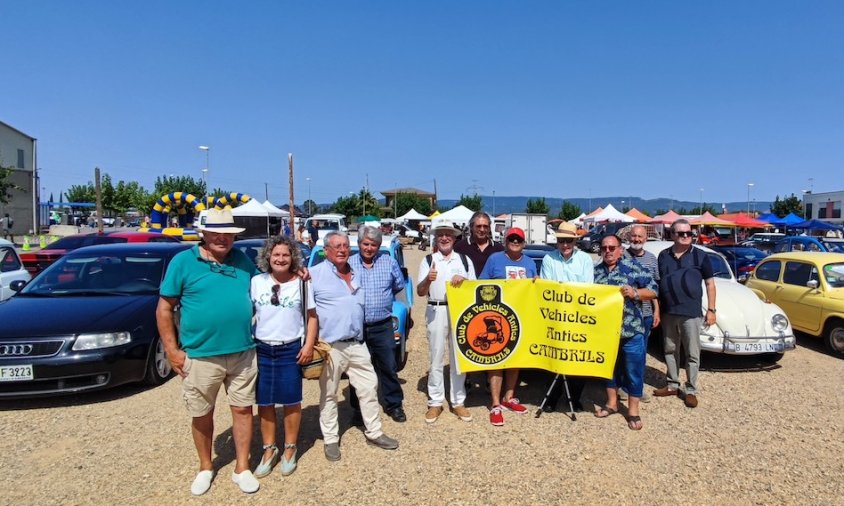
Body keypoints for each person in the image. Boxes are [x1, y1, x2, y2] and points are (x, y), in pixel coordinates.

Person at [155, 208, 261, 496]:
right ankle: (205, 466)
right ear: (203, 234)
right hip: (200, 355)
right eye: (216, 233)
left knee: (242, 410)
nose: (222, 238)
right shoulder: (182, 262)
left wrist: (296, 272)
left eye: (228, 234)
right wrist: (172, 350)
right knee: (202, 413)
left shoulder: (242, 260)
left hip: (242, 352)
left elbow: (266, 286)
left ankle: (242, 467)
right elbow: (164, 308)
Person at [311, 231, 398, 461]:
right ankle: (331, 440)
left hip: (357, 343)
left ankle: (374, 432)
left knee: (369, 387)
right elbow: (305, 312)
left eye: (344, 246)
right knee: (329, 394)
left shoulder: (356, 271)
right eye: (336, 246)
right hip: (330, 346)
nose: (341, 250)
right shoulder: (313, 275)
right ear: (326, 250)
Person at [250, 236, 318, 479]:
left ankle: (290, 447)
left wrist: (308, 345)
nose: (280, 259)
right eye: (276, 254)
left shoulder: (301, 283)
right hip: (262, 348)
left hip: (291, 348)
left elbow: (312, 317)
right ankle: (269, 449)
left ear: (293, 258)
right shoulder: (257, 281)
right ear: (268, 256)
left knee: (291, 401)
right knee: (265, 402)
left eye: (285, 255)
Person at [593, 234, 657, 430]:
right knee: (609, 370)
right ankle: (611, 404)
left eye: (612, 247)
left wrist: (636, 293)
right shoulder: (596, 272)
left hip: (632, 330)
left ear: (620, 249)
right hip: (606, 332)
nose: (608, 251)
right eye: (604, 248)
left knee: (634, 371)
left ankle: (633, 411)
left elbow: (654, 289)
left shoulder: (633, 267)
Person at [416, 221, 475, 423]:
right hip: (436, 308)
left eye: (448, 234)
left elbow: (474, 288)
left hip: (459, 311)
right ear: (435, 238)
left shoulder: (465, 260)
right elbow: (420, 291)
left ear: (454, 237)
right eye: (440, 234)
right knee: (436, 355)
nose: (444, 238)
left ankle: (458, 401)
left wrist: (465, 281)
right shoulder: (428, 260)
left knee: (459, 356)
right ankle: (435, 402)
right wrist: (428, 280)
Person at [348, 225, 407, 423]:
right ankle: (358, 410)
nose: (369, 248)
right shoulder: (349, 264)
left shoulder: (389, 262)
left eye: (374, 245)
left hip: (382, 325)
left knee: (388, 366)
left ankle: (394, 405)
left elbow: (398, 286)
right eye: (366, 244)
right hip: (357, 326)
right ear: (359, 244)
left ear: (379, 246)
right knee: (357, 369)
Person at [479, 227, 537, 426]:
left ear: (523, 243)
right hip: (498, 315)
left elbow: (535, 290)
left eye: (518, 239)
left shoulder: (529, 262)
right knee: (497, 359)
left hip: (521, 317)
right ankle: (495, 403)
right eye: (511, 238)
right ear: (505, 241)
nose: (515, 241)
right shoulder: (494, 259)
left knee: (515, 358)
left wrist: (537, 283)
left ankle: (509, 397)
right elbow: (481, 285)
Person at [655, 219, 716, 408]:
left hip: (691, 313)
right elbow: (658, 283)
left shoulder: (700, 256)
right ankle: (672, 384)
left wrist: (712, 310)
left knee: (692, 352)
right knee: (670, 349)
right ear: (672, 235)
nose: (686, 237)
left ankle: (691, 389)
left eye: (689, 233)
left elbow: (710, 284)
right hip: (669, 312)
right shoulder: (663, 256)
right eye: (681, 233)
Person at [539, 221, 594, 412]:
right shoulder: (548, 259)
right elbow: (547, 288)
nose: (565, 245)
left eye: (569, 241)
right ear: (557, 241)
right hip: (554, 317)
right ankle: (552, 398)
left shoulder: (586, 260)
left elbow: (587, 289)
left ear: (575, 242)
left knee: (577, 360)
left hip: (579, 318)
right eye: (562, 240)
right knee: (551, 359)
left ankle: (575, 397)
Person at [620, 224, 660, 403]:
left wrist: (656, 310)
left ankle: (636, 388)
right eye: (634, 236)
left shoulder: (651, 259)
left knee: (640, 354)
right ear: (629, 237)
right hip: (625, 314)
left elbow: (654, 288)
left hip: (645, 314)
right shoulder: (621, 255)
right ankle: (622, 386)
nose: (636, 239)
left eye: (640, 237)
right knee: (622, 353)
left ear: (645, 239)